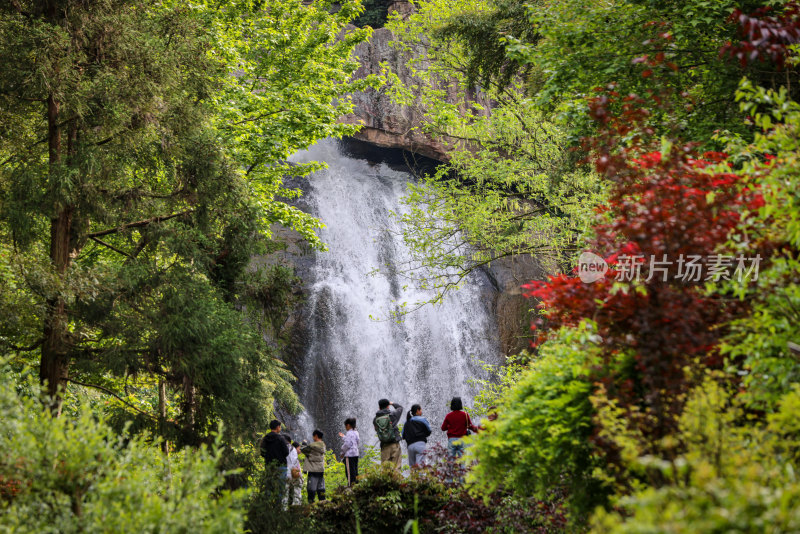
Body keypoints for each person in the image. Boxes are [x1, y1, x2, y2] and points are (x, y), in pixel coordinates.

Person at [260, 420, 289, 501]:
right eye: (280, 426)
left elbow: (262, 452)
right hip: (281, 466)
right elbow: (286, 452)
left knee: (269, 487)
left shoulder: (265, 438)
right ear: (277, 427)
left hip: (269, 465)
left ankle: (268, 507)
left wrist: (269, 457)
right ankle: (278, 508)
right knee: (280, 488)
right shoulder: (281, 438)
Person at [373, 399, 404, 470]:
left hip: (384, 446)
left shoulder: (375, 419)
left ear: (379, 407)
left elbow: (376, 429)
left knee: (385, 470)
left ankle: (386, 481)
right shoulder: (392, 415)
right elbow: (400, 408)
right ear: (388, 406)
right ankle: (395, 481)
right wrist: (392, 403)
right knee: (396, 468)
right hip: (394, 444)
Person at [300, 429, 326, 502]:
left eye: (313, 436)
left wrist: (304, 443)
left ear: (316, 436)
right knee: (321, 487)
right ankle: (323, 502)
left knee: (311, 488)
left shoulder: (312, 446)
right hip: (320, 469)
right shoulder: (323, 445)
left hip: (313, 469)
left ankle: (311, 503)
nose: (312, 438)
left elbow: (303, 449)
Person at [338, 417, 360, 486]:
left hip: (349, 455)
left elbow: (347, 444)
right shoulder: (356, 432)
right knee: (355, 470)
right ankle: (356, 484)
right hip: (355, 454)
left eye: (345, 426)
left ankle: (350, 486)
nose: (345, 428)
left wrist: (342, 452)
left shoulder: (349, 433)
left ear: (348, 425)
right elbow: (356, 442)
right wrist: (343, 437)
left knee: (349, 472)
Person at [285, 439, 303, 507]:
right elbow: (295, 465)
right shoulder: (293, 451)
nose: (300, 450)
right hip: (293, 474)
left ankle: (292, 504)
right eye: (299, 448)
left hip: (290, 473)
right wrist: (298, 474)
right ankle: (297, 504)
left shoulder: (289, 452)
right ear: (296, 448)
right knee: (297, 489)